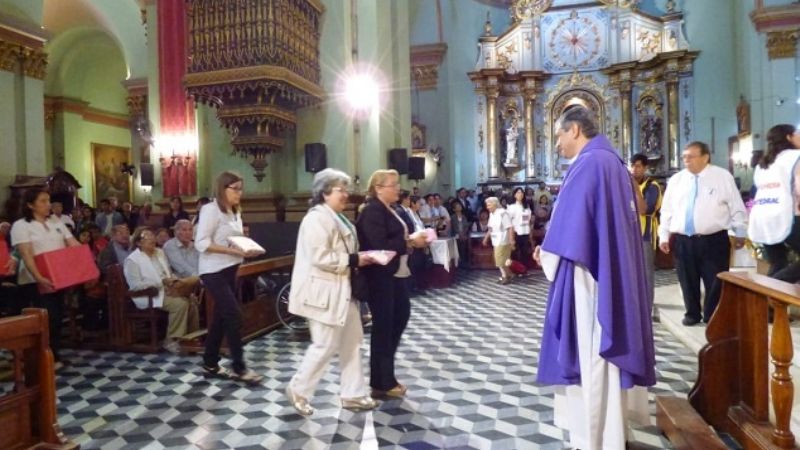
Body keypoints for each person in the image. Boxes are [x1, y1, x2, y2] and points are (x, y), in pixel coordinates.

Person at [533, 106, 655, 450]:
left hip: (588, 276)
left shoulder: (588, 165)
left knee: (592, 353)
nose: (557, 143)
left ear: (574, 130)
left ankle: (595, 441)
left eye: (558, 135)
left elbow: (568, 231)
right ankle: (612, 435)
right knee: (603, 356)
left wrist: (547, 253)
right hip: (607, 270)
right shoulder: (611, 161)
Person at [286, 169, 379, 416]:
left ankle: (353, 394)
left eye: (346, 190)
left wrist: (360, 258)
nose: (346, 195)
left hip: (343, 291)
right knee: (324, 345)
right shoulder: (316, 219)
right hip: (322, 293)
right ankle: (298, 389)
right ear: (324, 192)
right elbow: (320, 257)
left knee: (352, 342)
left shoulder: (338, 217)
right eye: (341, 190)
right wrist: (356, 259)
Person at [658, 141, 746, 326]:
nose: (686, 160)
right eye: (684, 157)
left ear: (705, 157)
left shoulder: (722, 177)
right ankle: (692, 313)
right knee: (686, 278)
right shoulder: (677, 180)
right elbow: (667, 210)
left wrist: (740, 231)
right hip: (683, 239)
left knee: (715, 279)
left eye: (691, 156)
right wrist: (664, 235)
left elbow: (736, 206)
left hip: (714, 239)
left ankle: (712, 315)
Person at [356, 169, 427, 398]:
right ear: (378, 188)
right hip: (380, 276)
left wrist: (409, 241)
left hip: (393, 274)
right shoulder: (371, 211)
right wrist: (409, 242)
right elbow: (378, 244)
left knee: (400, 317)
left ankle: (384, 375)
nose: (398, 188)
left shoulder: (390, 209)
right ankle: (382, 381)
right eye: (393, 185)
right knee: (384, 327)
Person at [195, 171, 263, 383]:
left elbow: (235, 238)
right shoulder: (210, 210)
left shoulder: (234, 211)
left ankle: (210, 362)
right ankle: (239, 368)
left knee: (220, 318)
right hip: (212, 271)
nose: (239, 193)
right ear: (223, 188)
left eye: (241, 188)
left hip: (231, 269)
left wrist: (247, 248)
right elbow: (202, 243)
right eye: (235, 188)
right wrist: (233, 251)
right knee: (233, 315)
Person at [11, 188, 81, 367]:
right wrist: (39, 277)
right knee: (46, 319)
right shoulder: (21, 225)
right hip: (34, 280)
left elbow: (71, 242)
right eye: (42, 201)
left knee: (57, 317)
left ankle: (53, 355)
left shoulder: (55, 220)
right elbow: (26, 254)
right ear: (30, 205)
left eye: (48, 200)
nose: (48, 204)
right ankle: (40, 357)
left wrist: (84, 261)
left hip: (58, 276)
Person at [123, 227, 197, 353]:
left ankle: (189, 337)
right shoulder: (132, 260)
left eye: (152, 236)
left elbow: (167, 272)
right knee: (180, 304)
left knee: (192, 299)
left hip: (166, 289)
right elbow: (135, 285)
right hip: (149, 295)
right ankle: (171, 340)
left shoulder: (159, 252)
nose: (152, 239)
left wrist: (174, 281)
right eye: (147, 237)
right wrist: (160, 283)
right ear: (138, 242)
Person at [748, 124, 800, 282]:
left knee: (779, 263)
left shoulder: (763, 164)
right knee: (781, 266)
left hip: (763, 218)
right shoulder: (795, 156)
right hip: (789, 217)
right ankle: (769, 294)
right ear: (788, 137)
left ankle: (764, 302)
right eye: (797, 134)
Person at [631, 153, 662, 311]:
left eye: (638, 166)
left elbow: (645, 209)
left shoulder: (652, 186)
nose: (634, 170)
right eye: (633, 166)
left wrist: (635, 189)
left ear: (645, 168)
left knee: (646, 273)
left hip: (645, 235)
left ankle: (647, 309)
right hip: (629, 235)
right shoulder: (626, 185)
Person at [482, 197, 513, 284]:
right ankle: (509, 275)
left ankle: (505, 276)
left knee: (500, 259)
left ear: (495, 204)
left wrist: (511, 240)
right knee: (501, 259)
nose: (488, 207)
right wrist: (486, 238)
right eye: (487, 205)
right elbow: (490, 228)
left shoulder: (503, 213)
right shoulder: (492, 214)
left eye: (489, 205)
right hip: (495, 240)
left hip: (503, 239)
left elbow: (510, 227)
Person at [507, 187, 533, 265]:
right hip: (516, 232)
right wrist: (511, 237)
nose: (520, 194)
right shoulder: (511, 207)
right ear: (514, 195)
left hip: (525, 232)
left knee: (524, 252)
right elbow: (509, 222)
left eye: (521, 192)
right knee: (514, 252)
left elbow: (528, 220)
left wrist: (530, 234)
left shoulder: (526, 206)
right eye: (518, 192)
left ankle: (523, 269)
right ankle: (515, 269)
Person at [450, 199, 471, 267]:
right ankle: (459, 261)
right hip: (456, 234)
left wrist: (463, 233)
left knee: (465, 243)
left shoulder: (464, 216)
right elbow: (454, 227)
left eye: (460, 206)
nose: (459, 207)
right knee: (459, 242)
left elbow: (466, 226)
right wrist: (460, 234)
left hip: (463, 234)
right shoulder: (453, 217)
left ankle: (464, 260)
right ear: (454, 209)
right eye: (457, 206)